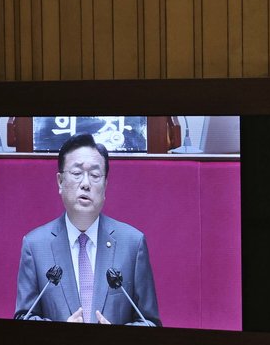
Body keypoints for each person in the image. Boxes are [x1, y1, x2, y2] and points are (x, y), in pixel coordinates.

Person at [14, 133, 161, 326]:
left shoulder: (133, 243)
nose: (85, 184)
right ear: (60, 182)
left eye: (95, 175)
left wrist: (119, 339)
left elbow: (150, 323)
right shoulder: (35, 245)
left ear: (105, 185)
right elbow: (23, 319)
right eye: (76, 174)